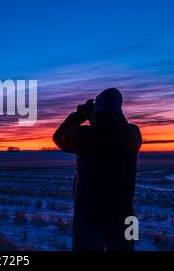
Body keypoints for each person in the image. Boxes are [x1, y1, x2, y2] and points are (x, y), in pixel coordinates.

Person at [53, 88, 142, 251]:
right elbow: (120, 126)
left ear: (96, 110)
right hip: (125, 215)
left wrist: (79, 116)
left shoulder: (85, 136)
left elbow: (59, 137)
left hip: (89, 215)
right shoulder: (132, 135)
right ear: (119, 110)